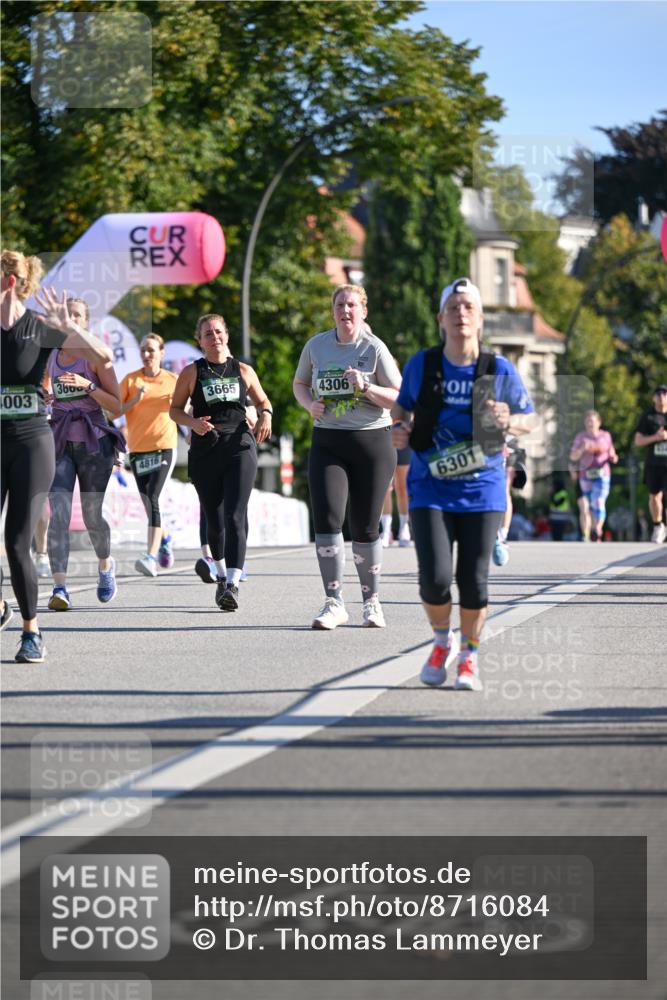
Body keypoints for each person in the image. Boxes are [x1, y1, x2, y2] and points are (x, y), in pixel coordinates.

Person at [392, 277, 534, 691]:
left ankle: (469, 655)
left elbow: (529, 419)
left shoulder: (497, 369)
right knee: (434, 578)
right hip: (430, 485)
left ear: (481, 319)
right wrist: (399, 429)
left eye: (468, 307)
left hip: (482, 488)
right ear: (441, 318)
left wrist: (510, 420)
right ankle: (442, 640)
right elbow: (402, 409)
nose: (461, 315)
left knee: (473, 580)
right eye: (453, 308)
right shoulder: (424, 364)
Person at [1, 250, 112, 661]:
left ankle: (31, 632)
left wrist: (72, 331)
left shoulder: (39, 327)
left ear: (9, 281)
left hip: (32, 441)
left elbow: (103, 357)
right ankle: (1, 606)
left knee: (17, 542)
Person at [293, 284, 401, 629]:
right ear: (333, 310)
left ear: (363, 311)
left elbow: (399, 398)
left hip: (373, 443)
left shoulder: (374, 348)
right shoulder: (317, 346)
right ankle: (334, 601)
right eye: (340, 304)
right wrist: (310, 404)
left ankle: (371, 602)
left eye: (352, 305)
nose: (346, 311)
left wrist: (366, 386)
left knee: (365, 526)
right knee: (326, 519)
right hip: (329, 441)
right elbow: (300, 383)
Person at [170, 313, 271, 611]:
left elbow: (264, 401)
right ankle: (222, 576)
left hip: (239, 445)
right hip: (205, 449)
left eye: (218, 332)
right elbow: (174, 410)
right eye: (207, 334)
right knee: (214, 521)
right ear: (199, 341)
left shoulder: (244, 370)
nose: (215, 337)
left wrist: (266, 415)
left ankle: (233, 584)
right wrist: (192, 423)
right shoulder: (192, 372)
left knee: (235, 515)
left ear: (226, 335)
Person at [45, 297, 125, 610]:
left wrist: (87, 386)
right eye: (67, 315)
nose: (72, 320)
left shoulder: (95, 358)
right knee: (59, 515)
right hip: (60, 443)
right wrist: (46, 395)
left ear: (86, 322)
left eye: (77, 315)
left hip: (94, 443)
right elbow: (44, 390)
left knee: (92, 515)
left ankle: (105, 565)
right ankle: (59, 588)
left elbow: (117, 406)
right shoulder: (51, 356)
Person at [119, 334, 178, 577]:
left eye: (151, 350)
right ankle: (165, 540)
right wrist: (134, 400)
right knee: (148, 503)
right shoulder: (131, 380)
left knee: (153, 496)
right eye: (143, 350)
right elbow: (113, 411)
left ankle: (150, 557)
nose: (146, 355)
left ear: (162, 353)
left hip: (164, 447)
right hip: (138, 451)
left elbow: (185, 410)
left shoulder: (173, 380)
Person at [569, 409, 618, 542]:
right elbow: (573, 456)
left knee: (599, 501)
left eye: (592, 421)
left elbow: (610, 451)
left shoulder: (605, 436)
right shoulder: (581, 437)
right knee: (588, 505)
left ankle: (597, 529)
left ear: (599, 423)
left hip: (603, 474)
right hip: (586, 475)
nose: (590, 424)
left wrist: (613, 457)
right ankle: (588, 533)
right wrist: (582, 449)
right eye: (587, 421)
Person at [634, 384, 667, 544]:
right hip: (654, 463)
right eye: (658, 393)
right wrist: (656, 437)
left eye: (665, 393)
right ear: (654, 397)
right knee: (654, 497)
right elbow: (638, 441)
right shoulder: (648, 417)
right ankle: (658, 525)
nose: (662, 396)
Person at [381, 446, 412, 548]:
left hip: (401, 439)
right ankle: (386, 530)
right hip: (384, 437)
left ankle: (404, 526)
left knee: (402, 487)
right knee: (385, 488)